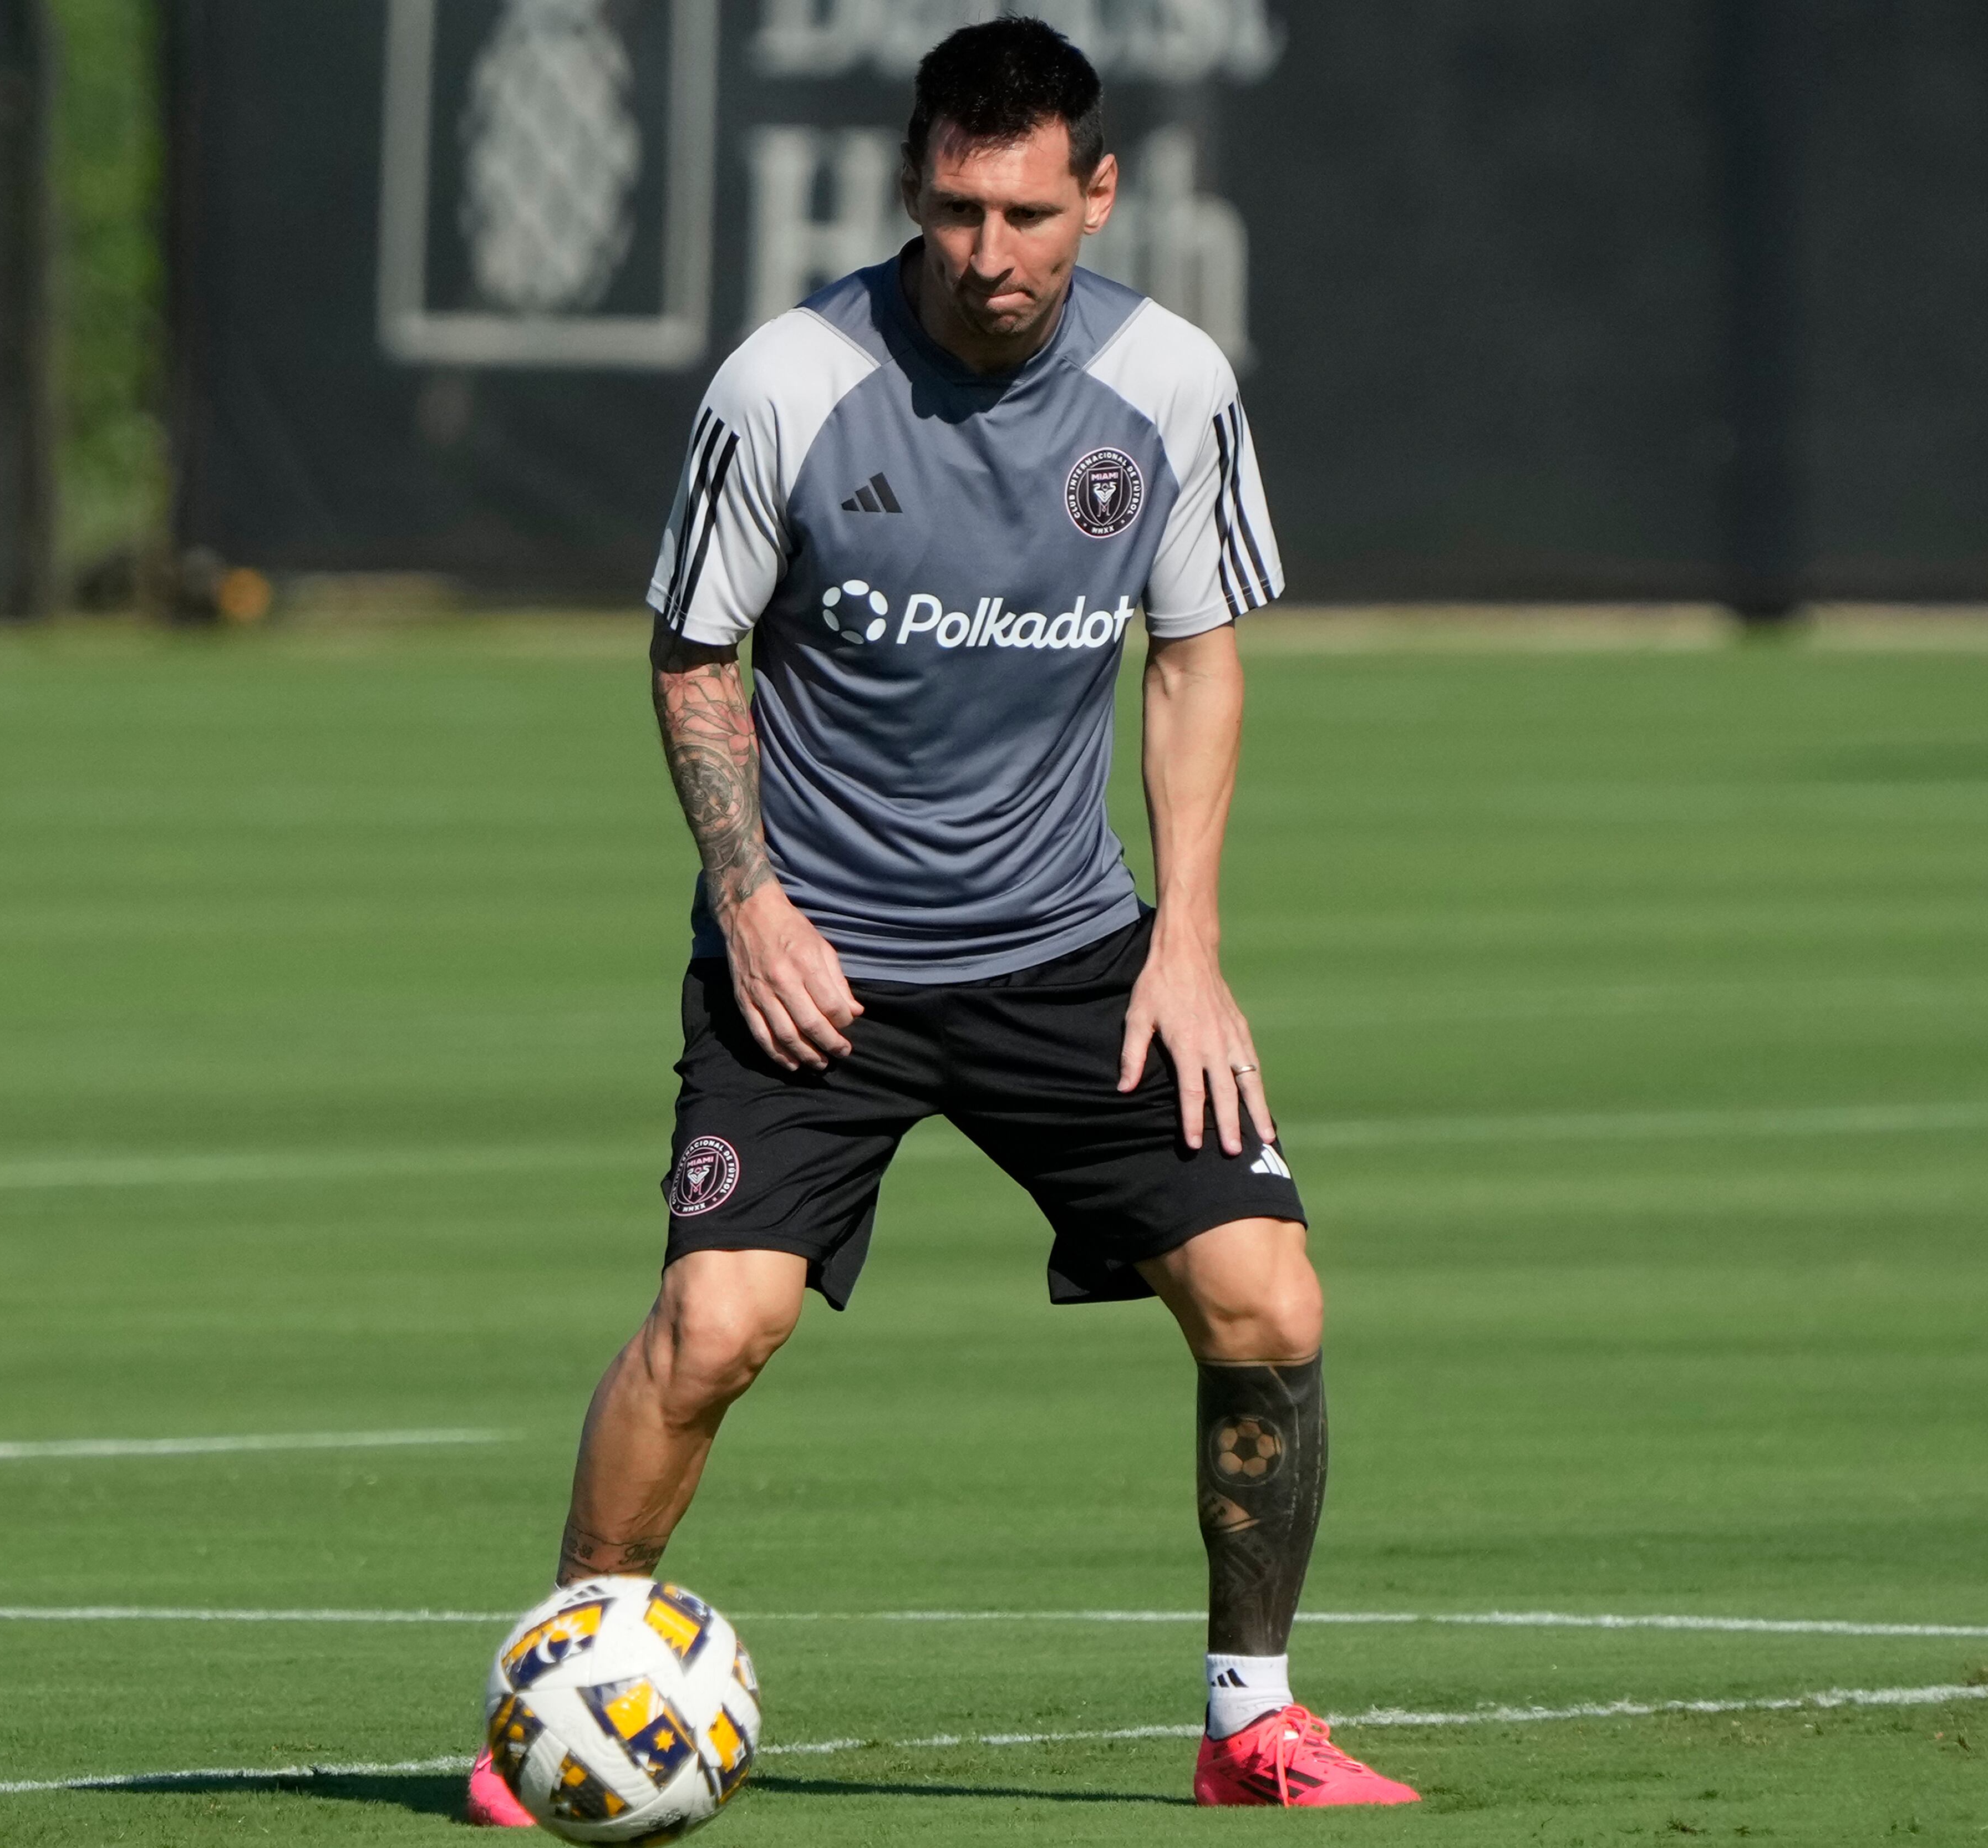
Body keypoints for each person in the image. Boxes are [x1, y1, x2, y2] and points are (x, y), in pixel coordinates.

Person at [469, 18, 1414, 1819]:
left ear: (1100, 193)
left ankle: (1251, 1722)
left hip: (1072, 950)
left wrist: (1189, 945)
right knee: (712, 1330)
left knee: (1267, 1298)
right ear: (915, 188)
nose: (994, 255)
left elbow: (1197, 659)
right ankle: (562, 1696)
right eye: (962, 211)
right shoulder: (784, 385)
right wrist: (751, 907)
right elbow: (694, 656)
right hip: (819, 961)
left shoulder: (1172, 385)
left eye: (1033, 214)